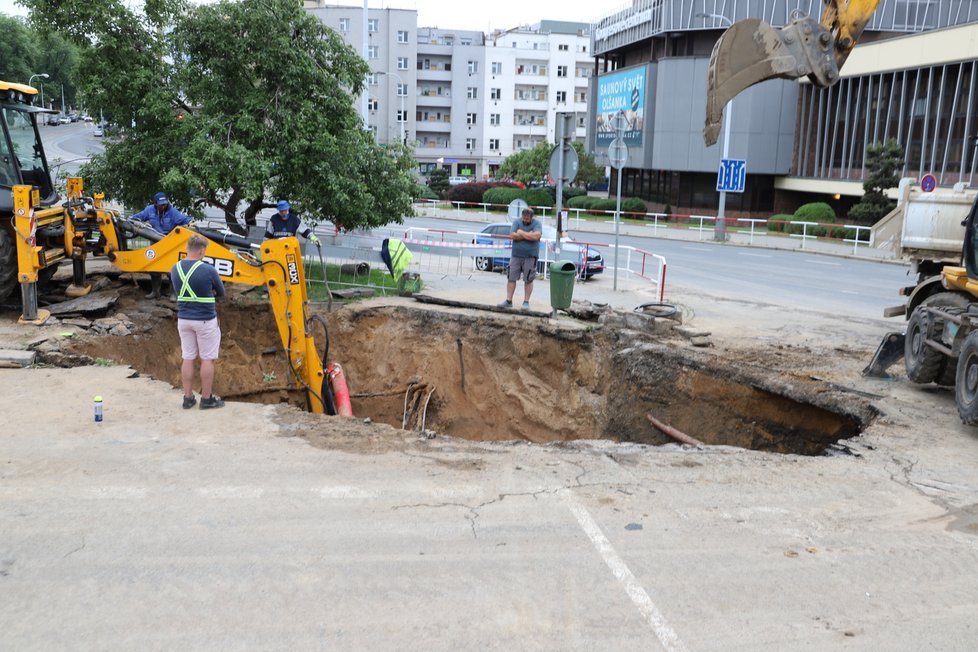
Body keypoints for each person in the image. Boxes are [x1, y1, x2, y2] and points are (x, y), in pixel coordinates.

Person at [171, 233, 226, 410]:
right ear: (202, 251)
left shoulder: (175, 268)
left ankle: (188, 399)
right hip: (204, 320)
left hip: (184, 319)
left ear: (188, 249)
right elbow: (222, 293)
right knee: (207, 359)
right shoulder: (208, 270)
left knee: (188, 357)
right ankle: (207, 399)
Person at [132, 192, 191, 299]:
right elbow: (137, 217)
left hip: (169, 245)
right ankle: (155, 292)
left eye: (165, 204)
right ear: (155, 203)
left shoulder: (173, 212)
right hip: (155, 244)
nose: (163, 206)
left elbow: (186, 220)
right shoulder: (149, 210)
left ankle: (173, 293)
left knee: (171, 269)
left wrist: (188, 225)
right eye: (161, 204)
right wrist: (135, 221)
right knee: (154, 268)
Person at [498, 207, 542, 310]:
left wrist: (521, 233)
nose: (525, 220)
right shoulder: (517, 222)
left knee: (528, 279)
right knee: (511, 277)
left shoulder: (537, 224)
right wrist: (528, 235)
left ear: (532, 217)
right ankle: (509, 300)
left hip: (530, 256)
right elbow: (513, 235)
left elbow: (536, 236)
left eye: (527, 219)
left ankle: (526, 302)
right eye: (524, 218)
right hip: (516, 255)